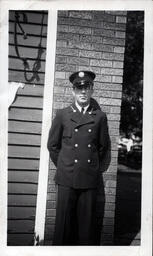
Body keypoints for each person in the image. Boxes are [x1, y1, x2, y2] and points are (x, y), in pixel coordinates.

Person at [47, 70, 110, 245]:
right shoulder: (62, 115)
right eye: (79, 88)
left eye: (87, 87)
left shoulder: (100, 117)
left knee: (86, 228)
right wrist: (64, 164)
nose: (83, 91)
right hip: (66, 177)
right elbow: (52, 145)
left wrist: (91, 167)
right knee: (63, 227)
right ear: (73, 91)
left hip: (89, 178)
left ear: (92, 90)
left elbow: (103, 147)